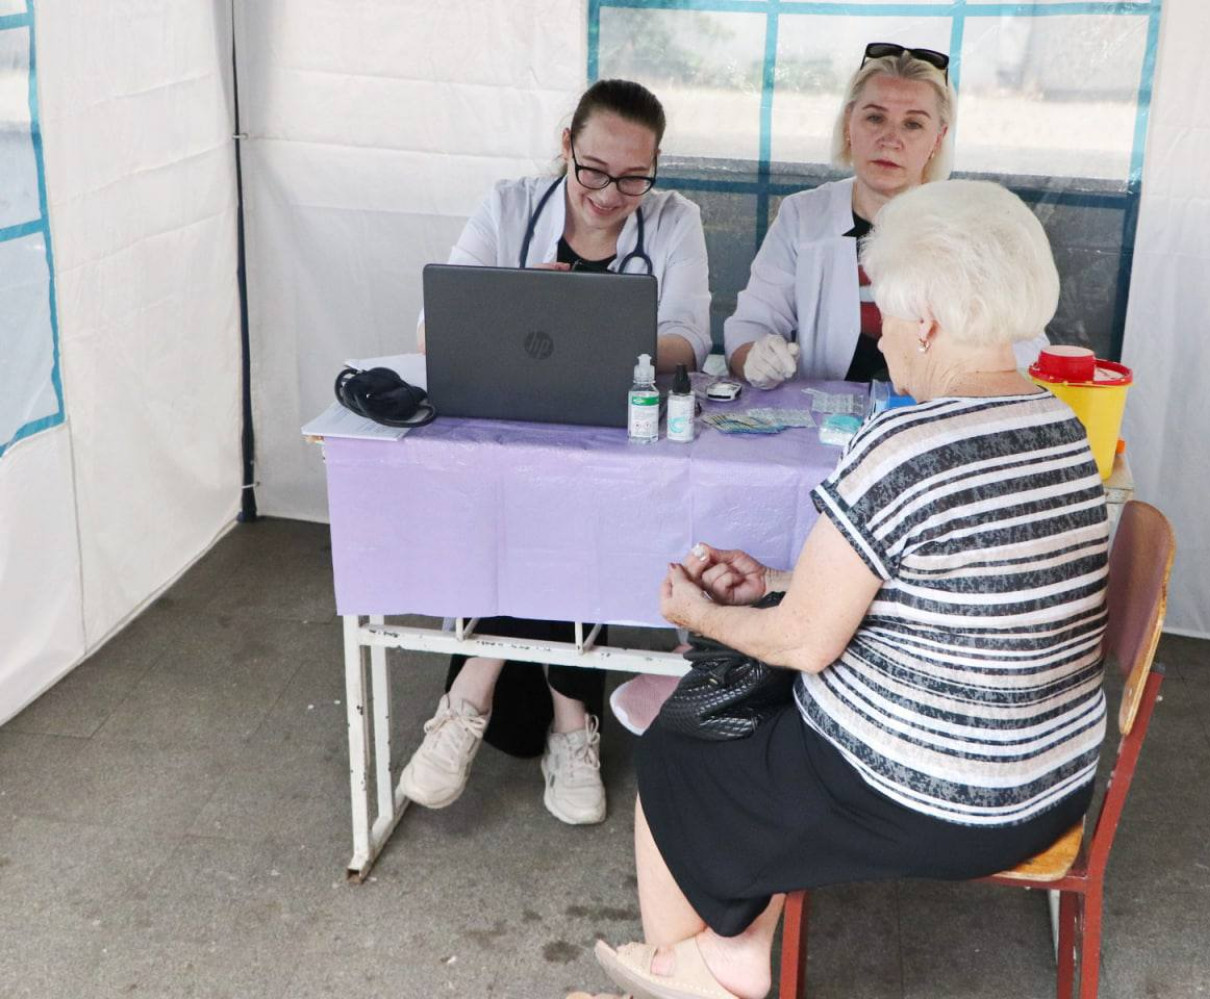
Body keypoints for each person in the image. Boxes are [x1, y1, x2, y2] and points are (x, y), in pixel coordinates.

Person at [585, 179, 1110, 999]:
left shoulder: (905, 439)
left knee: (684, 743)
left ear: (925, 320)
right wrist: (777, 580)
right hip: (1047, 782)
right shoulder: (1057, 423)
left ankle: (703, 972)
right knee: (749, 686)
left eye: (883, 311)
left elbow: (803, 641)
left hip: (934, 799)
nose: (881, 332)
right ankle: (731, 949)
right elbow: (946, 577)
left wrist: (700, 614)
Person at [401, 79, 711, 827]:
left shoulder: (675, 221)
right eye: (593, 170)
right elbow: (433, 329)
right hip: (510, 439)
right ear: (565, 145)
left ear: (656, 168)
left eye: (634, 178)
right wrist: (516, 302)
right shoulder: (508, 206)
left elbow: (688, 341)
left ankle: (471, 695)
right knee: (538, 497)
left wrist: (585, 329)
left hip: (620, 442)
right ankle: (571, 720)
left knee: (566, 501)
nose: (609, 195)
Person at [724, 43, 1048, 389]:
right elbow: (750, 325)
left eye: (912, 124)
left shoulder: (973, 224)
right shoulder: (804, 215)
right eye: (875, 118)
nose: (890, 140)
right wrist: (756, 358)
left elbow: (1026, 345)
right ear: (849, 123)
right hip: (823, 415)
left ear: (938, 138)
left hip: (938, 412)